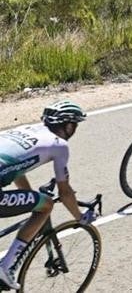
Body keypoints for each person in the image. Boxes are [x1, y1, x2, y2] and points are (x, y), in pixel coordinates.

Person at [0, 101, 92, 289]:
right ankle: (6, 266)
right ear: (68, 126)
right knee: (46, 205)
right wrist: (80, 217)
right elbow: (65, 193)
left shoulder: (24, 129)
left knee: (37, 201)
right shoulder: (59, 145)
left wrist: (27, 195)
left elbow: (17, 168)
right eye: (75, 125)